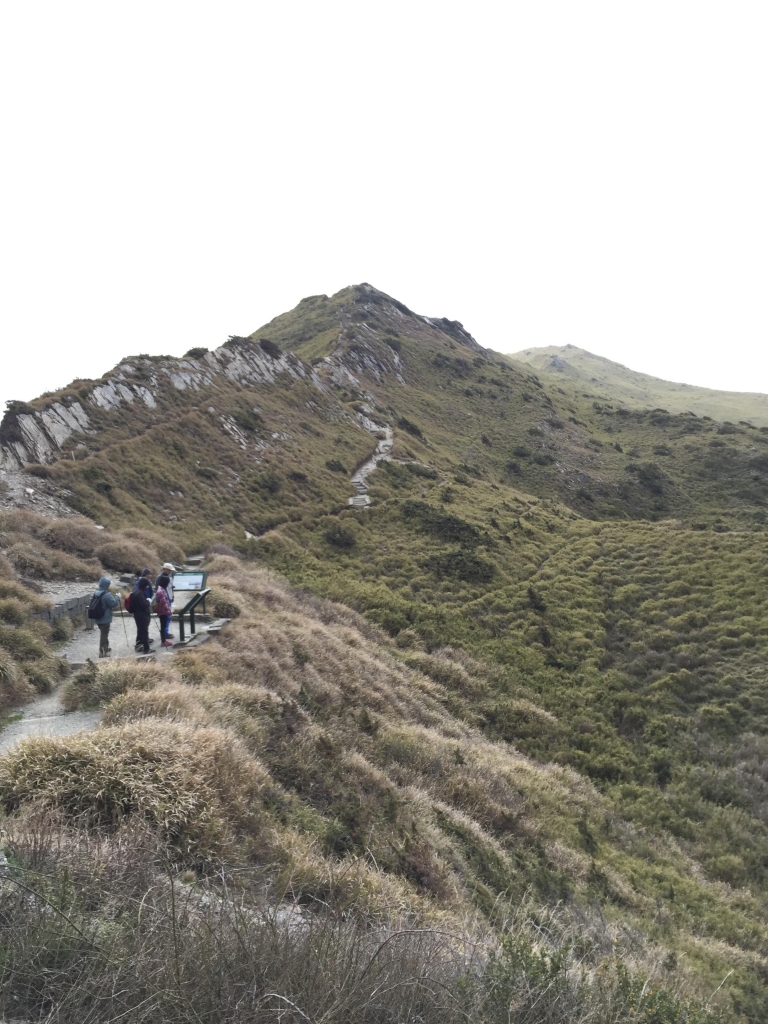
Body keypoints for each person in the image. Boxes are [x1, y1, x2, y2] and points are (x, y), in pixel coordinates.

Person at [92, 576, 119, 658]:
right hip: (105, 618)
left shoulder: (96, 593)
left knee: (104, 633)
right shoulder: (107, 594)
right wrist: (118, 597)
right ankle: (102, 652)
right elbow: (113, 604)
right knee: (104, 635)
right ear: (106, 585)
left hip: (98, 618)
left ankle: (106, 648)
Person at [133, 569, 154, 650]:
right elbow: (143, 604)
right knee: (144, 630)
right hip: (142, 614)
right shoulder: (140, 593)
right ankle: (146, 648)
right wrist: (148, 602)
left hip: (137, 614)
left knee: (141, 629)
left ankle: (139, 644)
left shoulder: (136, 592)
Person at [154, 573, 174, 646]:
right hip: (163, 612)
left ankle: (164, 640)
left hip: (162, 611)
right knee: (163, 626)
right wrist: (169, 612)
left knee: (163, 625)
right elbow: (164, 603)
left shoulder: (160, 588)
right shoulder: (161, 591)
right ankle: (163, 641)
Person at [157, 563, 176, 639]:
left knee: (166, 618)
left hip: (168, 597)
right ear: (165, 569)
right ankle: (165, 634)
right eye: (169, 570)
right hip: (166, 599)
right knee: (166, 617)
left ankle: (165, 633)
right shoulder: (163, 577)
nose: (170, 571)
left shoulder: (163, 576)